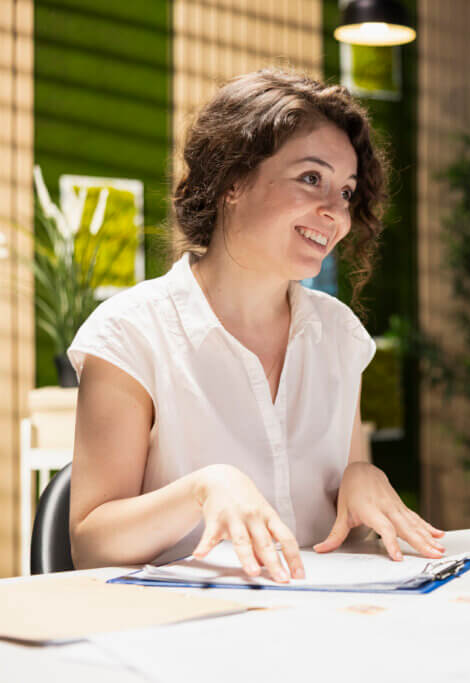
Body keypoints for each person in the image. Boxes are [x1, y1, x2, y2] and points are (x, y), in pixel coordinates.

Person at [67, 70, 445, 583]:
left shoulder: (338, 334)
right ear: (233, 182)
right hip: (183, 630)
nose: (334, 212)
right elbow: (91, 543)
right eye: (311, 179)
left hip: (322, 622)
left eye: (347, 192)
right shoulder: (130, 334)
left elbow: (342, 518)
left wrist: (362, 476)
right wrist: (203, 490)